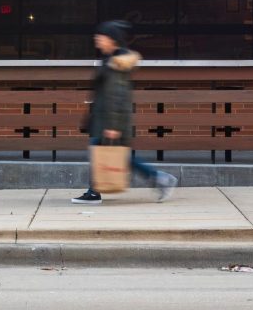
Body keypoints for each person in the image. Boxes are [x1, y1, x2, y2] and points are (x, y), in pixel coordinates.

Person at [72, 20, 178, 204]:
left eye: (101, 36)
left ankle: (160, 178)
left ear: (112, 40)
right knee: (109, 153)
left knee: (116, 155)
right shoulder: (111, 61)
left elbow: (117, 96)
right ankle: (94, 191)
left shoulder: (116, 64)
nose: (96, 39)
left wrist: (113, 126)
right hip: (103, 118)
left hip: (109, 121)